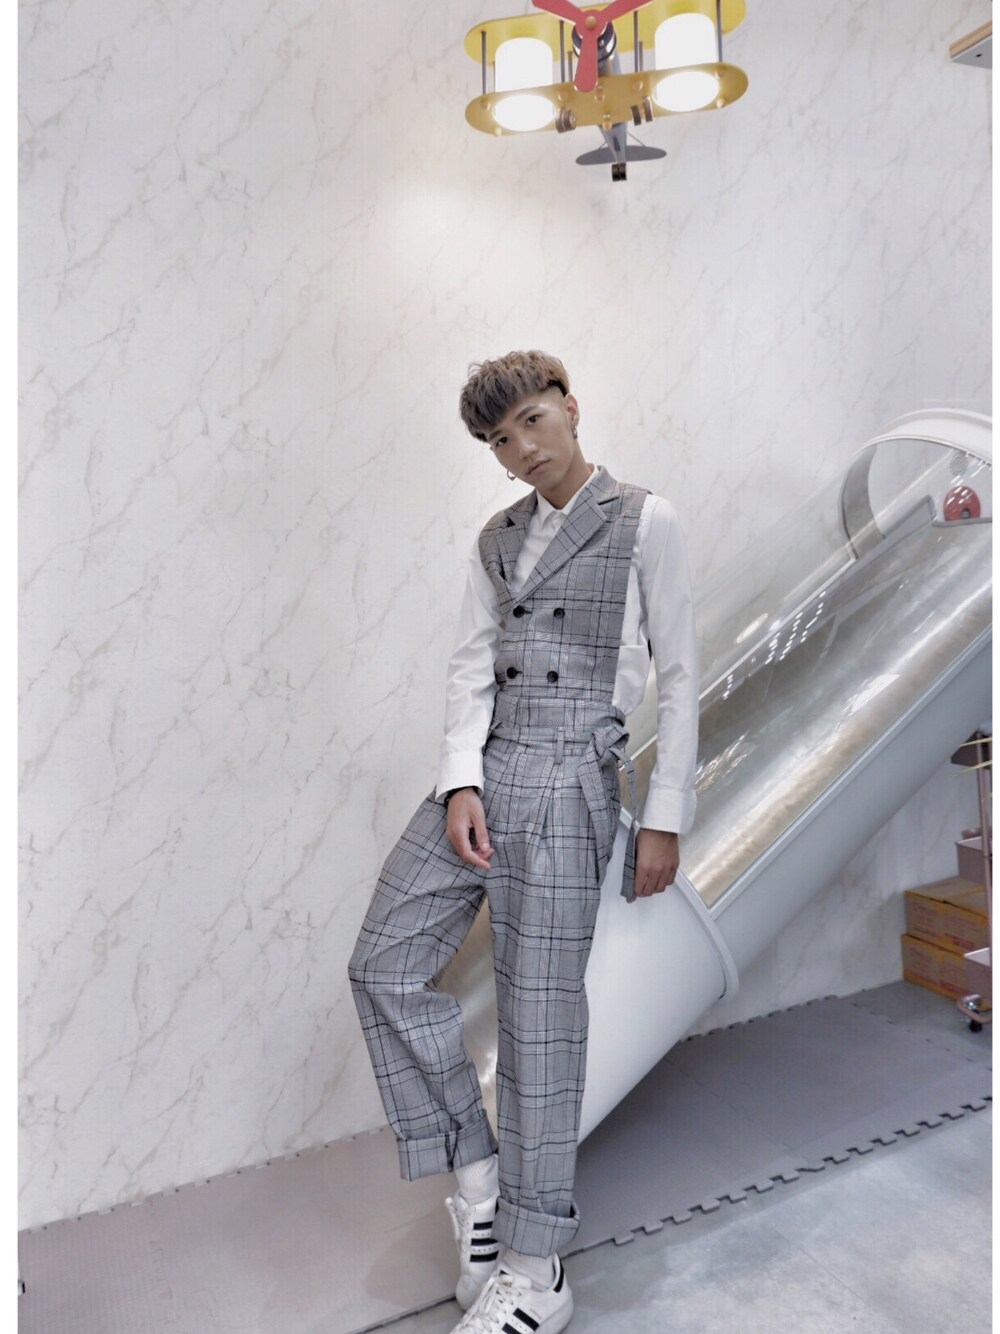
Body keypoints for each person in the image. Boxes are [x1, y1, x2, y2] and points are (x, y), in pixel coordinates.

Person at [348, 351, 699, 1334]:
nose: (521, 449)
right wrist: (459, 778)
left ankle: (537, 1268)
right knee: (383, 962)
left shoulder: (645, 521)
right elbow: (470, 665)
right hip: (488, 766)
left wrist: (663, 815)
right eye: (501, 440)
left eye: (533, 422)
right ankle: (481, 1182)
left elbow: (679, 673)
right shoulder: (495, 539)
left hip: (572, 772)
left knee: (540, 1022)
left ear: (571, 407)